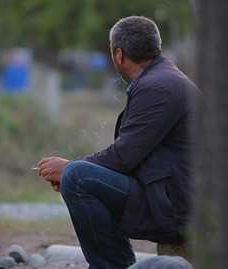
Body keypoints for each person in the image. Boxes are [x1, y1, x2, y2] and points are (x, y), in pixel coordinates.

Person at [37, 15, 201, 268]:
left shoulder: (158, 86)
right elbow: (131, 155)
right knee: (80, 175)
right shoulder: (165, 78)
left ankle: (112, 265)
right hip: (175, 197)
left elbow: (124, 157)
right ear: (156, 46)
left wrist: (67, 168)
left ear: (119, 54)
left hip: (177, 208)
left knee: (78, 177)